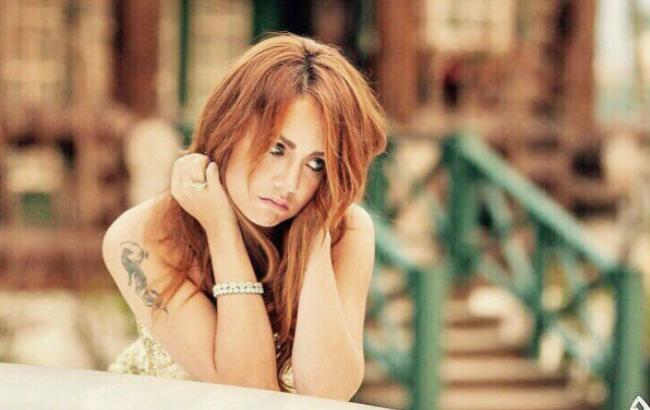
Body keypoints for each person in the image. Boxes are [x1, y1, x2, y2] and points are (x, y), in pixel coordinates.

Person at [102, 33, 387, 401]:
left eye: (316, 163)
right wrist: (221, 230)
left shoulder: (346, 231)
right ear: (230, 127)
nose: (290, 183)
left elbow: (327, 393)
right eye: (277, 148)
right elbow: (250, 392)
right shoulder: (142, 237)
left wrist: (314, 237)